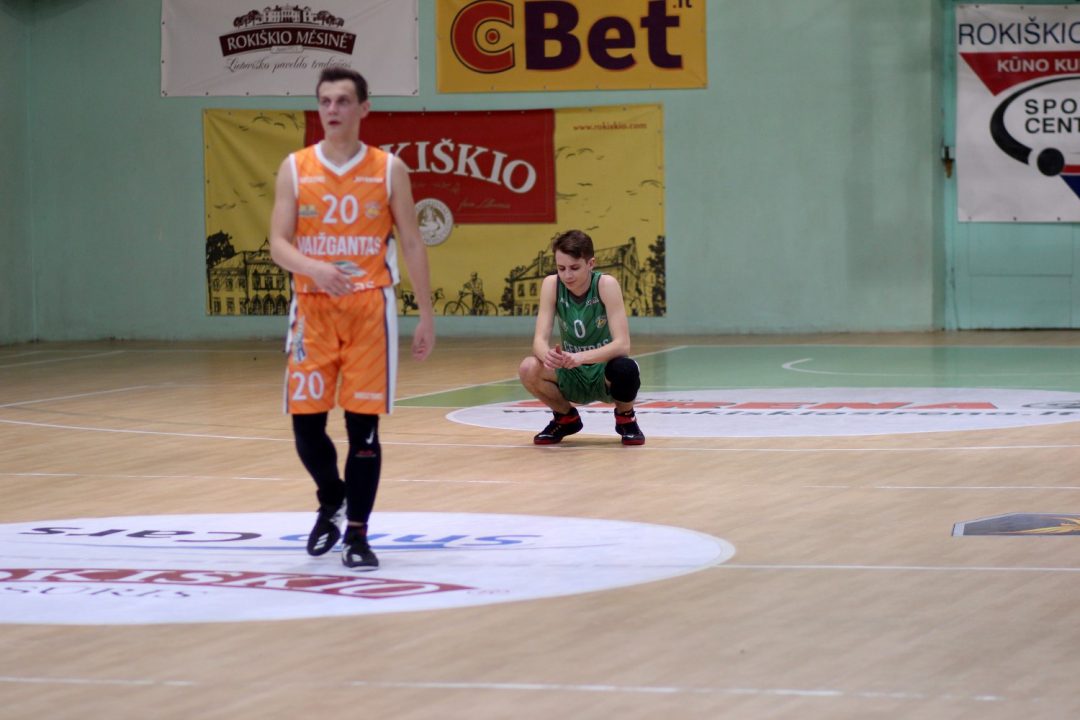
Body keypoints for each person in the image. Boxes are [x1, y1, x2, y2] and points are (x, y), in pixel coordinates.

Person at [269, 67, 435, 570]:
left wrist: (426, 314)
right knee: (306, 429)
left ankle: (358, 536)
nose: (332, 110)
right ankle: (331, 497)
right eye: (325, 101)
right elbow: (278, 244)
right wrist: (315, 268)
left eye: (343, 100)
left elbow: (411, 242)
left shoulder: (389, 169)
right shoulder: (295, 167)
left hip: (368, 310)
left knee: (363, 432)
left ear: (364, 108)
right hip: (312, 309)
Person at [518, 230, 645, 446]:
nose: (567, 275)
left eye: (574, 268)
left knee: (626, 369)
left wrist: (581, 357)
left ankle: (626, 418)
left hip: (602, 371)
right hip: (571, 370)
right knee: (528, 367)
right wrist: (548, 356)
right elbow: (539, 340)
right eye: (561, 268)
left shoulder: (606, 284)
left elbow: (623, 345)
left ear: (590, 263)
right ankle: (566, 418)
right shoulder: (551, 284)